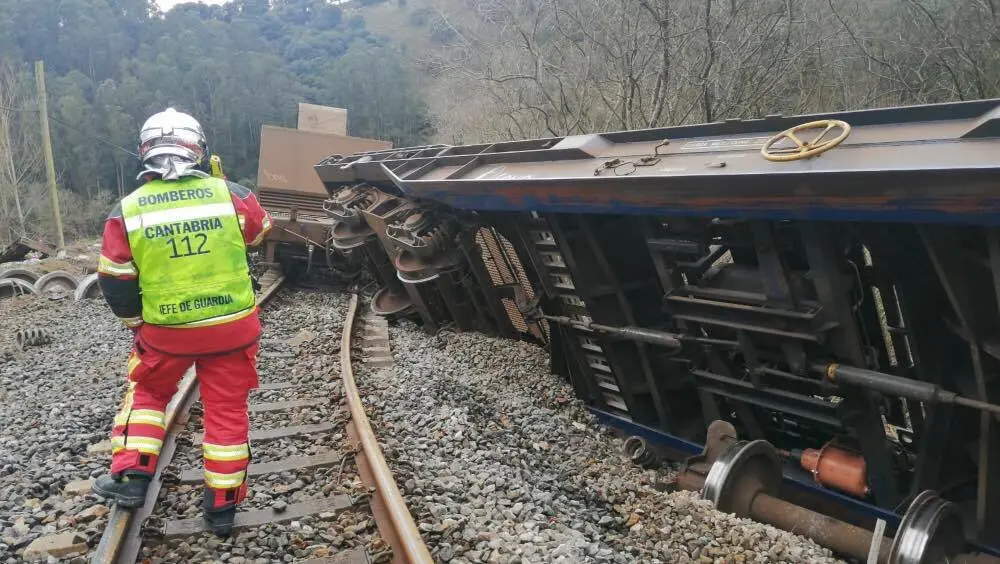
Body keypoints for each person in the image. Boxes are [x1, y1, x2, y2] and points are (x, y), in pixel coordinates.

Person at [92, 107, 272, 536]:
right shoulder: (230, 193)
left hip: (165, 335)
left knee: (150, 393)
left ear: (145, 152)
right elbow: (260, 230)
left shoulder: (127, 210)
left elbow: (114, 278)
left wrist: (136, 324)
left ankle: (131, 478)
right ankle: (222, 509)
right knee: (227, 412)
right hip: (231, 330)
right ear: (199, 150)